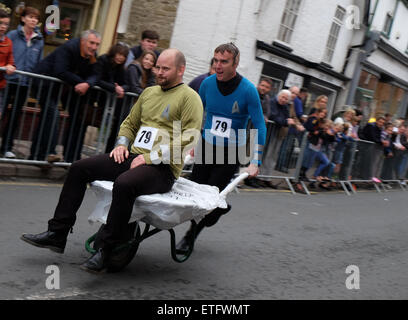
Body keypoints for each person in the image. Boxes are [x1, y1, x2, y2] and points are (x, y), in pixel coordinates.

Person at [21, 48, 204, 273]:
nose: (159, 72)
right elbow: (129, 123)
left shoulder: (190, 98)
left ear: (181, 70)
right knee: (79, 168)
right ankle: (57, 233)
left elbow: (189, 138)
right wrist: (120, 145)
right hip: (134, 157)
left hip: (162, 168)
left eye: (165, 68)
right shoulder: (149, 93)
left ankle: (106, 250)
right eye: (157, 67)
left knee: (125, 183)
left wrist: (150, 157)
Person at [176, 43, 267, 253]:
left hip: (232, 150)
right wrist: (193, 143)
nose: (218, 65)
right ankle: (218, 208)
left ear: (235, 63)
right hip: (207, 146)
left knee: (208, 196)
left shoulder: (248, 90)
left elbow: (260, 125)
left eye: (224, 61)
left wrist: (255, 161)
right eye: (215, 60)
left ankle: (190, 236)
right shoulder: (207, 84)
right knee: (194, 194)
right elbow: (197, 115)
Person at [29, 30, 101, 163]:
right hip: (43, 83)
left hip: (60, 88)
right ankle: (48, 154)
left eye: (97, 44)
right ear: (83, 41)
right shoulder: (69, 48)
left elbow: (96, 74)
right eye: (91, 43)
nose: (94, 47)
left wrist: (87, 83)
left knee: (59, 116)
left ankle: (38, 156)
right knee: (52, 114)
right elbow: (60, 71)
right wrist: (81, 82)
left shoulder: (92, 55)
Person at [1, 7, 43, 158]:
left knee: (15, 116)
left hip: (25, 84)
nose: (34, 20)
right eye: (31, 17)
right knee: (1, 112)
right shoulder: (12, 35)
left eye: (36, 18)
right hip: (8, 81)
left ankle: (7, 147)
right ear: (23, 18)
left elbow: (38, 62)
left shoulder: (39, 39)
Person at [94, 43, 130, 153]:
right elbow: (97, 79)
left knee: (118, 126)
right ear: (114, 53)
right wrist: (115, 88)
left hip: (113, 102)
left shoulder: (121, 67)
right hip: (99, 99)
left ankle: (109, 153)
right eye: (119, 54)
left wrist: (121, 88)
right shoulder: (103, 60)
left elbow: (127, 84)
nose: (121, 57)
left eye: (123, 56)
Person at [0, 9, 15, 119]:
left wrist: (10, 66)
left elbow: (11, 61)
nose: (3, 26)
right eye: (0, 23)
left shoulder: (8, 42)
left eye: (6, 24)